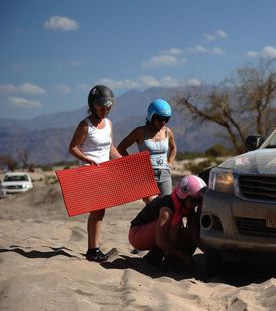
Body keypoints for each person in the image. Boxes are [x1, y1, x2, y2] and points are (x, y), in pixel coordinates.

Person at [68, 84, 122, 262]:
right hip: (89, 173)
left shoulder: (108, 124)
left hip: (104, 173)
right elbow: (73, 148)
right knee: (97, 211)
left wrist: (122, 160)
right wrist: (87, 159)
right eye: (101, 107)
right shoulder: (85, 125)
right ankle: (93, 250)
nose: (105, 110)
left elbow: (110, 147)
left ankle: (93, 249)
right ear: (92, 105)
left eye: (108, 107)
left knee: (100, 212)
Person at [128, 175, 207, 268]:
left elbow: (195, 235)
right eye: (194, 201)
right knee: (174, 225)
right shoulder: (167, 209)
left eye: (199, 201)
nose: (196, 204)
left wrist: (211, 254)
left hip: (152, 233)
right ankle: (163, 259)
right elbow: (160, 240)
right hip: (137, 234)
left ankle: (168, 259)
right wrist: (182, 257)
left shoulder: (187, 206)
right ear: (183, 196)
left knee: (190, 233)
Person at [118, 99, 176, 203]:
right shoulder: (140, 132)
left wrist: (170, 162)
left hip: (165, 174)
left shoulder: (168, 132)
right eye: (160, 119)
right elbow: (121, 148)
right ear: (151, 116)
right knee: (152, 207)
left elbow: (173, 148)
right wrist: (134, 164)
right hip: (147, 175)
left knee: (167, 206)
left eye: (166, 119)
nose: (163, 122)